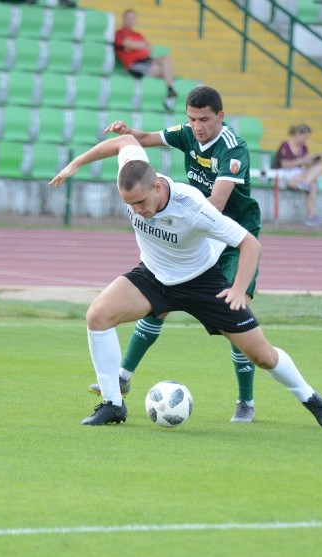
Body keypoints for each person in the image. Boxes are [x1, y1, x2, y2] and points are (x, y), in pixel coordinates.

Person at [48, 135, 322, 430]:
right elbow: (124, 140)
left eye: (140, 202)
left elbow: (250, 244)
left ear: (157, 187)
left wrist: (238, 289)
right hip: (153, 276)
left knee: (262, 356)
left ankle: (311, 398)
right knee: (97, 316)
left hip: (202, 282)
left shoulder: (193, 207)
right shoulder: (135, 174)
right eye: (129, 204)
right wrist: (76, 164)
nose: (136, 210)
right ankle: (113, 404)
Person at [100, 86, 262, 424]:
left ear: (221, 116)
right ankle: (124, 376)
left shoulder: (234, 150)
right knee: (159, 297)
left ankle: (245, 401)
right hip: (192, 230)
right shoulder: (187, 133)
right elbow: (145, 138)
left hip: (230, 235)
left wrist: (172, 221)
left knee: (236, 310)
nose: (197, 126)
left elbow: (215, 207)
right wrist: (127, 134)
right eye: (191, 118)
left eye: (204, 119)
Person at [114, 9, 177, 111]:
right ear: (124, 19)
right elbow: (127, 44)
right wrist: (139, 45)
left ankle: (171, 91)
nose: (130, 20)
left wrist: (136, 46)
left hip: (147, 61)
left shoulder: (138, 35)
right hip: (135, 65)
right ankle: (170, 95)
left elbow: (149, 48)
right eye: (128, 18)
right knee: (165, 72)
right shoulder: (120, 33)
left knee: (167, 59)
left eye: (132, 18)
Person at [274, 124, 322, 226]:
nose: (305, 140)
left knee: (318, 169)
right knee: (310, 185)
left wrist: (315, 159)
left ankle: (311, 216)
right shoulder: (285, 145)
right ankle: (305, 183)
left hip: (299, 174)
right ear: (298, 134)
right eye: (304, 137)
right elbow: (284, 164)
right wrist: (302, 161)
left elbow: (306, 164)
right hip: (286, 174)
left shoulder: (304, 148)